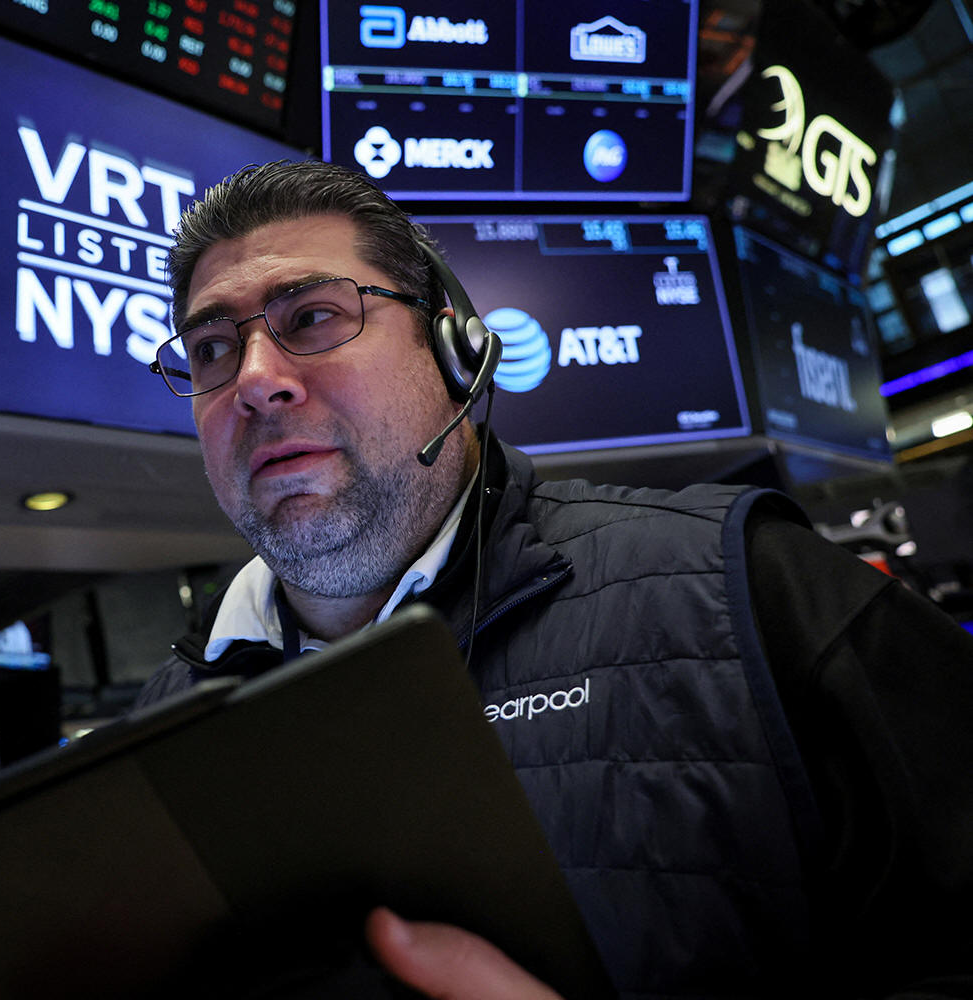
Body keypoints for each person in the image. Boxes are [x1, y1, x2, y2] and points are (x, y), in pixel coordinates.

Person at [136, 159, 973, 998]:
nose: (253, 381)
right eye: (212, 349)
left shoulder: (748, 588)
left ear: (453, 350)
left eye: (313, 317)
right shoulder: (162, 728)